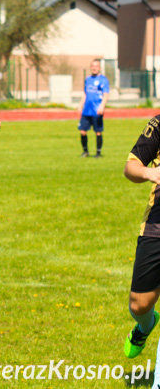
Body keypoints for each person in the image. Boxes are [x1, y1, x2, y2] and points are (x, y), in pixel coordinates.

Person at [123, 114, 160, 375]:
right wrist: (150, 172)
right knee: (139, 304)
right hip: (156, 226)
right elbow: (131, 166)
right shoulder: (158, 124)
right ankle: (146, 326)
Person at [77, 59, 109, 158]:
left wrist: (102, 107)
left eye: (96, 66)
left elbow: (106, 95)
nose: (94, 68)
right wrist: (80, 105)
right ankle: (85, 152)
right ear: (91, 67)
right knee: (82, 131)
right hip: (86, 110)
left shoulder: (103, 80)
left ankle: (98, 153)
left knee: (98, 132)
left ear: (99, 68)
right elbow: (85, 93)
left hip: (97, 111)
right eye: (93, 66)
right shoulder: (88, 79)